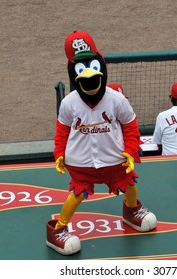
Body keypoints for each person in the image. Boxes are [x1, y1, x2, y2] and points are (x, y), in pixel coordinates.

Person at [46, 31, 157, 256]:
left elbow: (130, 126)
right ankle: (57, 230)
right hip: (82, 163)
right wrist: (59, 154)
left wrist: (130, 151)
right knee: (76, 194)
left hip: (113, 159)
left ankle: (131, 210)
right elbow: (62, 132)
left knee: (129, 184)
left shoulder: (116, 99)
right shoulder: (69, 103)